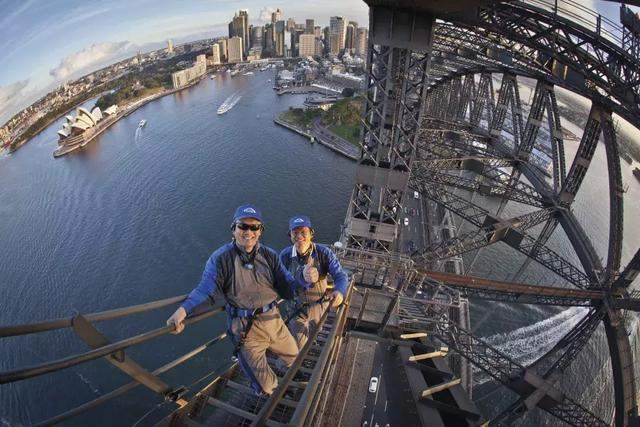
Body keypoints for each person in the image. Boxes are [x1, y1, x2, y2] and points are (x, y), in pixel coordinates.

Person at [166, 204, 315, 396]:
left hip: (274, 321)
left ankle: (295, 382)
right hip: (247, 331)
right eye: (243, 226)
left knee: (294, 355)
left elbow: (287, 286)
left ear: (260, 231)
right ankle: (277, 395)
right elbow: (206, 288)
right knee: (267, 387)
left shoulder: (269, 256)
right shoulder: (221, 258)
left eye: (254, 227)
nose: (248, 232)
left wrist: (303, 278)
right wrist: (183, 310)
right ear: (233, 229)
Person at [279, 215, 348, 349]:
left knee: (317, 331)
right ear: (290, 236)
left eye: (303, 232)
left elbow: (340, 275)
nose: (299, 236)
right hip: (296, 309)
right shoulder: (284, 256)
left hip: (319, 306)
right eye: (295, 233)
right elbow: (280, 283)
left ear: (311, 234)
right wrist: (301, 278)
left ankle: (313, 340)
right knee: (299, 346)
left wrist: (339, 291)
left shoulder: (323, 253)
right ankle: (294, 362)